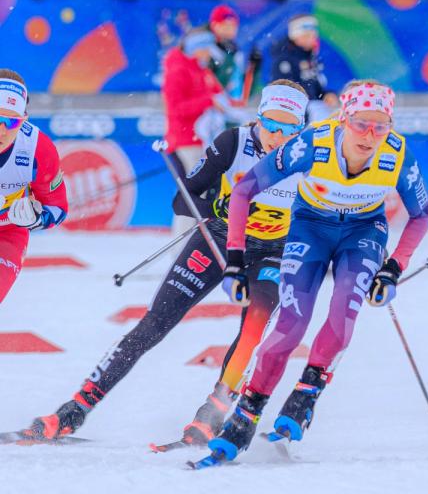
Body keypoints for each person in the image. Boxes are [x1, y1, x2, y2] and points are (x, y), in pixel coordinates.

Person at [20, 81, 308, 443]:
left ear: (302, 128)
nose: (278, 136)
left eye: (289, 128)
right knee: (154, 324)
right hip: (217, 241)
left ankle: (212, 414)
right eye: (271, 124)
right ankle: (76, 408)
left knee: (253, 331)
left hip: (272, 251)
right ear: (259, 118)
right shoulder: (233, 143)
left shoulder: (310, 156)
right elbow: (182, 201)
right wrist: (216, 207)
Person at [201, 80, 428, 463]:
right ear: (344, 119)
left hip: (363, 232)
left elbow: (421, 215)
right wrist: (236, 257)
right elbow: (243, 192)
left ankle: (306, 393)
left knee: (344, 310)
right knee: (292, 322)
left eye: (380, 126)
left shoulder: (398, 154)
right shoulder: (311, 143)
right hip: (310, 226)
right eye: (360, 124)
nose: (370, 136)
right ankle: (248, 410)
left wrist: (394, 267)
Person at [0, 69, 68, 304]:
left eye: (11, 121)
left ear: (24, 120)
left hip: (7, 233)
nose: (1, 130)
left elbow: (58, 209)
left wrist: (36, 219)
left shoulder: (38, 149)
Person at [162, 27, 224, 239]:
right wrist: (209, 102)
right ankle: (181, 248)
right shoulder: (178, 69)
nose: (209, 55)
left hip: (200, 140)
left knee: (199, 196)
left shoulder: (199, 68)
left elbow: (218, 93)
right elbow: (175, 109)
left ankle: (191, 244)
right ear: (197, 48)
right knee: (192, 198)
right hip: (186, 142)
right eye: (206, 49)